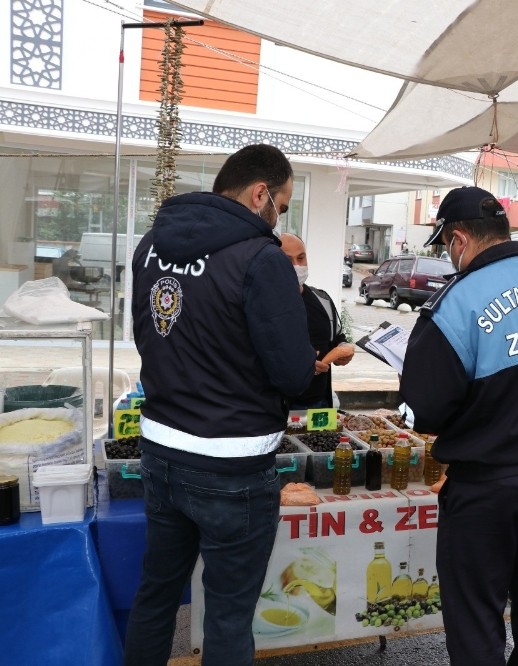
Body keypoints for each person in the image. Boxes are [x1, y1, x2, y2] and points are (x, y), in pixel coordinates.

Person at [125, 144, 315, 666]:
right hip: (232, 466)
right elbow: (294, 373)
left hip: (161, 451)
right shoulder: (260, 258)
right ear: (260, 194)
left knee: (157, 592)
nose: (279, 216)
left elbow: (147, 333)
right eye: (281, 205)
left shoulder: (150, 245)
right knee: (229, 615)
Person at [400, 186, 518, 665]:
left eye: (446, 245)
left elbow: (424, 410)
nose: (448, 255)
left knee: (476, 622)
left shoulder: (455, 303)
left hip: (486, 488)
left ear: (459, 239)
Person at [280, 232, 355, 409]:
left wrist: (344, 349)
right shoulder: (263, 303)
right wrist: (300, 366)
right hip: (279, 405)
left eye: (301, 258)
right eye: (288, 260)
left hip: (319, 403)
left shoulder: (322, 299)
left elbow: (337, 338)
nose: (297, 266)